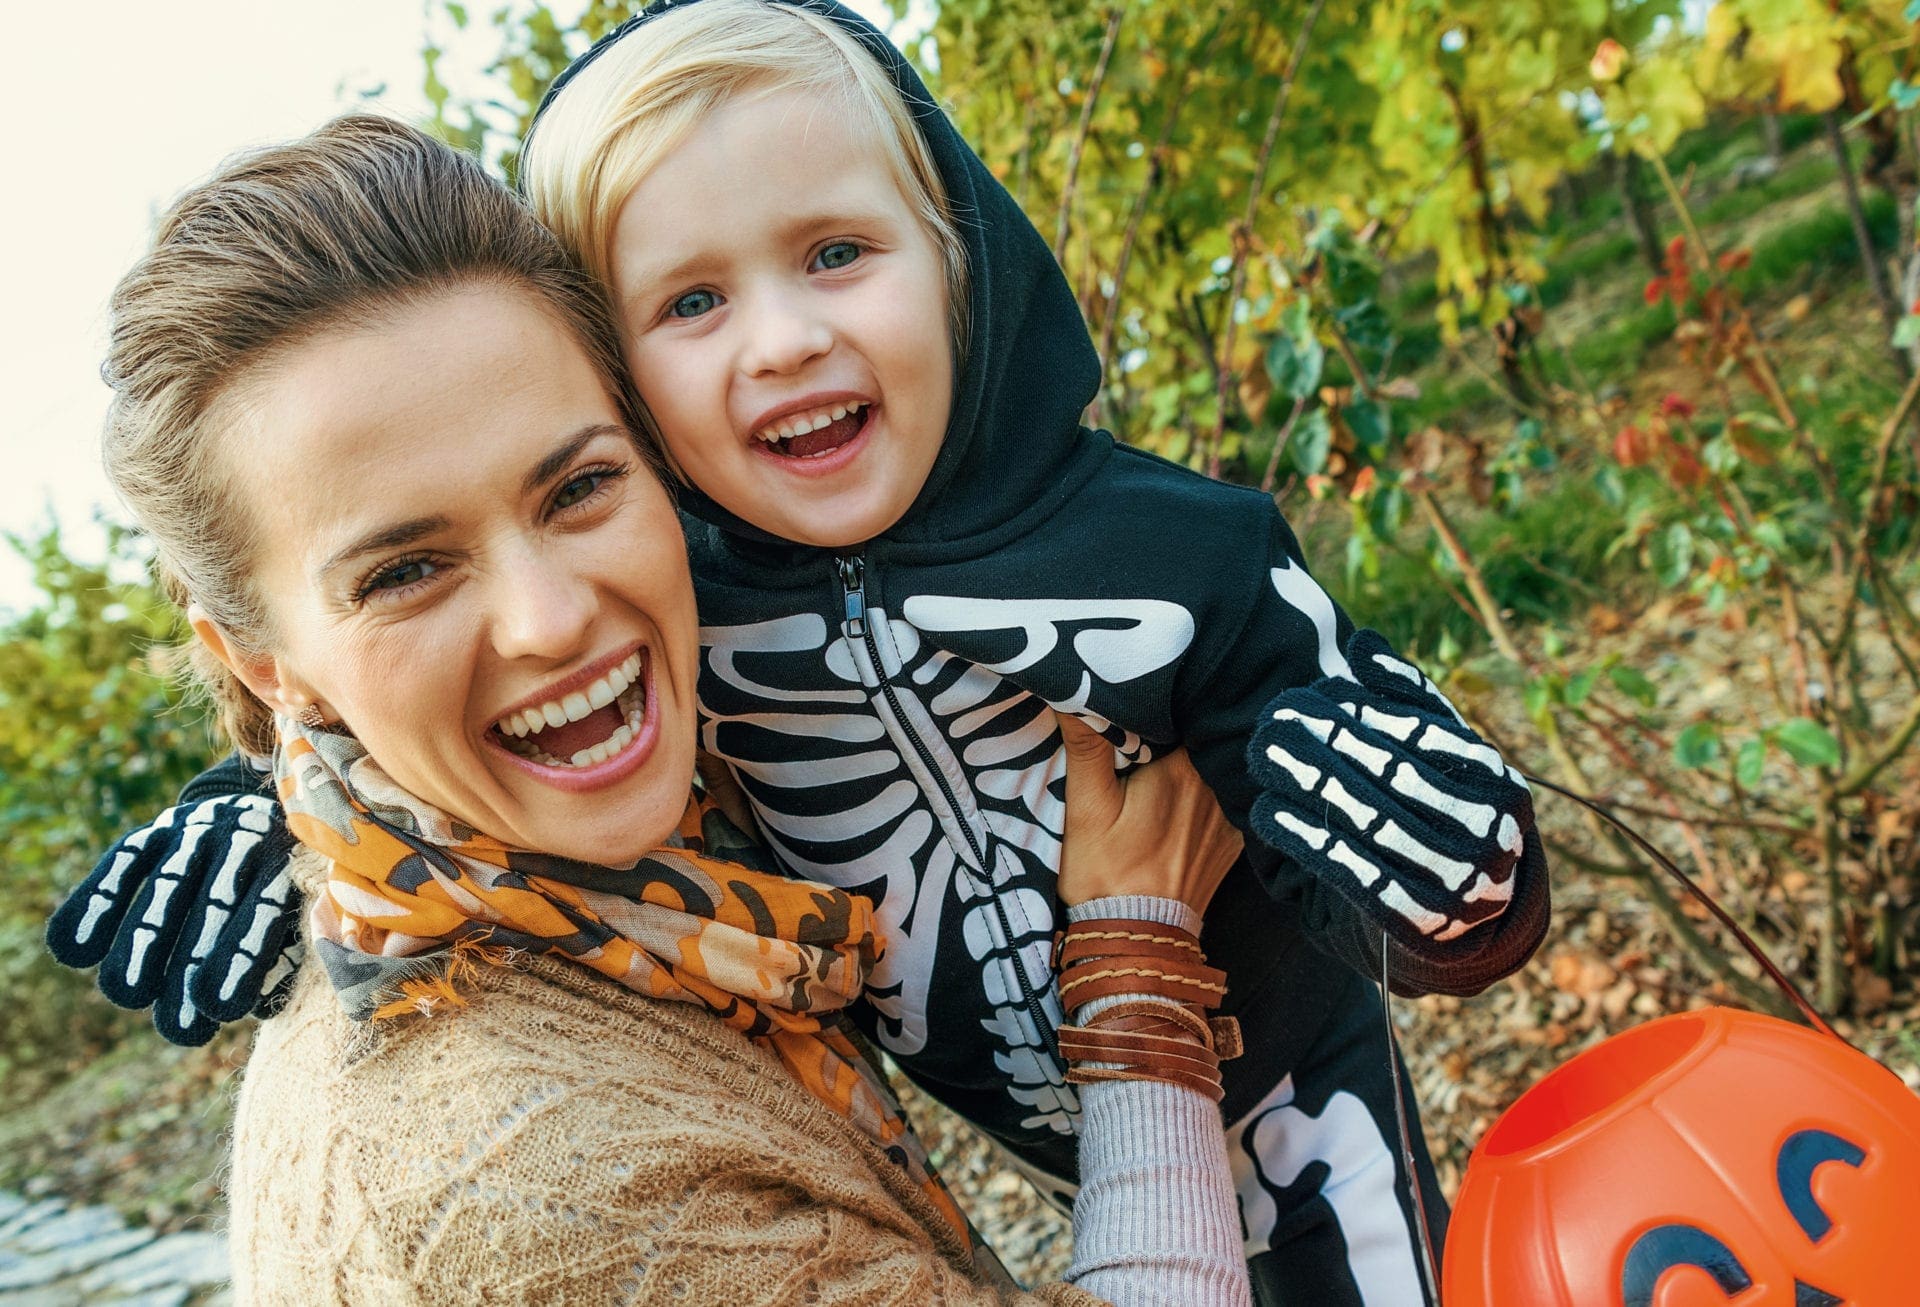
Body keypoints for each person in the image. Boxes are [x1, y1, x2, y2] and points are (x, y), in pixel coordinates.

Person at [51, 3, 1551, 1301]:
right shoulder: (545, 1173)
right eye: (691, 303)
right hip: (1102, 1113)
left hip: (1299, 1109)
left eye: (837, 254)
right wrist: (282, 804)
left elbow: (1354, 797)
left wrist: (1462, 893)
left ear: (962, 259)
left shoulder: (1169, 551)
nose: (776, 343)